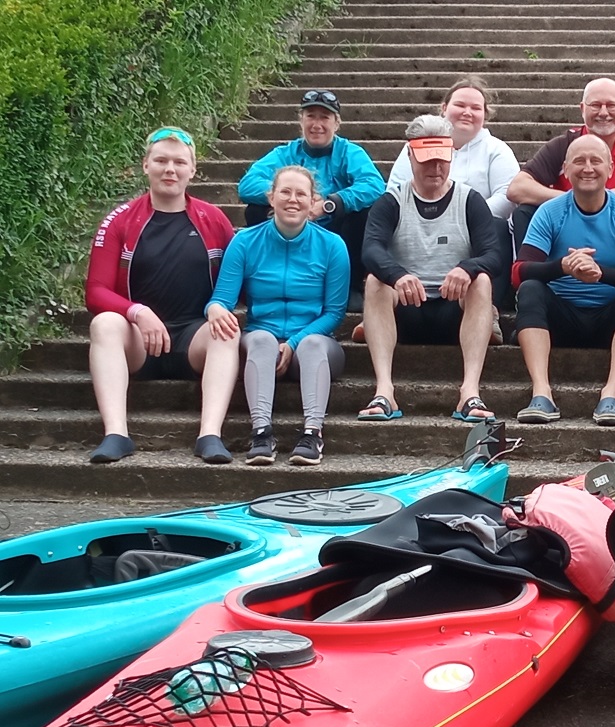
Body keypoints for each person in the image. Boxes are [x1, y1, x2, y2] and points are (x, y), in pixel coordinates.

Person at [85, 126, 239, 465]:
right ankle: (116, 433)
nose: (170, 169)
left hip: (192, 338)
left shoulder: (213, 219)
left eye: (179, 162)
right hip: (139, 341)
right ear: (146, 166)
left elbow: (238, 279)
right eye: (161, 161)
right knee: (105, 324)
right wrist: (137, 312)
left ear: (192, 171)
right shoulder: (120, 221)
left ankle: (209, 434)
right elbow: (95, 291)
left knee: (228, 329)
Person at [506, 77, 615, 348]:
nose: (603, 112)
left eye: (611, 105)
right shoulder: (566, 144)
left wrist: (614, 197)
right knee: (526, 210)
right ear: (582, 108)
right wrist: (569, 200)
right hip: (564, 239)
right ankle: (529, 311)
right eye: (595, 105)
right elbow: (518, 187)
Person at [358, 115, 501, 424]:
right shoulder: (391, 202)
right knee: (375, 281)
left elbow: (494, 254)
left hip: (454, 310)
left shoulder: (469, 200)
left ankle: (470, 392)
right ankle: (384, 390)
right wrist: (397, 274)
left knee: (482, 281)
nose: (435, 169)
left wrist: (467, 267)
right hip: (408, 308)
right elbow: (371, 250)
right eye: (427, 161)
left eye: (441, 160)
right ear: (410, 156)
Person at [206, 166, 349, 466]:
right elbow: (221, 299)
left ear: (313, 203)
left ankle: (313, 433)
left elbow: (335, 312)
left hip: (316, 342)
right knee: (259, 339)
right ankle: (261, 433)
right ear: (271, 198)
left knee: (311, 344)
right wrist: (215, 309)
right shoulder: (244, 242)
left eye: (301, 194)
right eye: (285, 192)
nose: (292, 200)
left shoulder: (332, 245)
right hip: (263, 339)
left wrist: (294, 342)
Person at [512, 134, 615, 427]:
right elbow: (518, 272)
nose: (588, 168)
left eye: (596, 161)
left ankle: (611, 394)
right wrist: (563, 267)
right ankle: (542, 392)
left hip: (610, 321)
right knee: (530, 289)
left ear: (611, 168)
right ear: (565, 169)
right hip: (560, 318)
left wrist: (601, 273)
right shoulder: (549, 212)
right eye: (579, 161)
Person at [237, 89, 385, 311]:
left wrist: (330, 204)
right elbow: (247, 185)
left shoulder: (349, 152)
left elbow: (374, 185)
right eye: (311, 116)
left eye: (324, 117)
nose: (317, 124)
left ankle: (350, 286)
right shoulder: (284, 153)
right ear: (301, 121)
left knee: (364, 213)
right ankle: (268, 284)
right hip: (293, 227)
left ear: (336, 123)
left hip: (334, 228)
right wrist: (291, 198)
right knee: (255, 210)